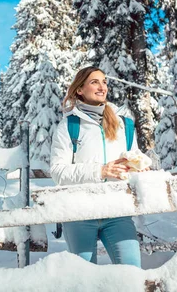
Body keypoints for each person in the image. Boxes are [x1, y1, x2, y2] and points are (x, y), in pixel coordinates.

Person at [49, 66, 144, 267]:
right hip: (79, 213)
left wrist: (139, 167)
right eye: (94, 82)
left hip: (116, 211)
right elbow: (58, 171)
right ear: (79, 90)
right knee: (84, 281)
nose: (102, 87)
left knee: (132, 275)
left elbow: (132, 159)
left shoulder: (124, 125)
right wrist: (100, 170)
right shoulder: (69, 126)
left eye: (104, 82)